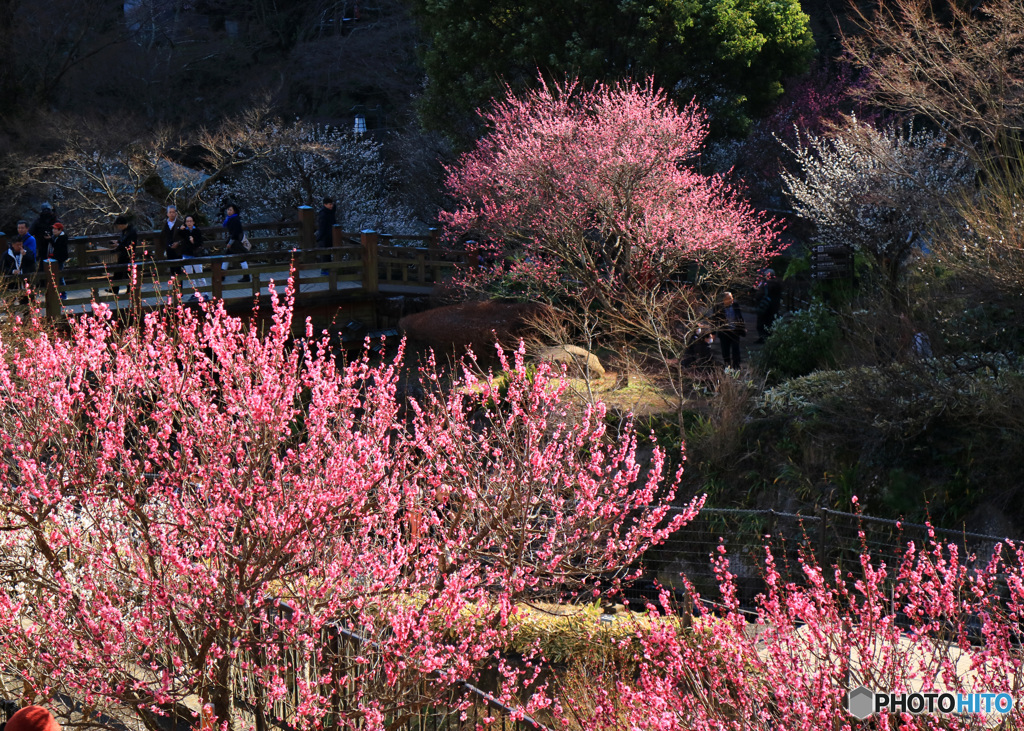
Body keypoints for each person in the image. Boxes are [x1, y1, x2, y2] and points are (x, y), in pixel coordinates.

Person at [711, 291, 747, 368]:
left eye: (732, 297)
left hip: (735, 331)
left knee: (736, 349)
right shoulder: (718, 307)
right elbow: (714, 321)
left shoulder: (735, 305)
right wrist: (713, 333)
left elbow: (739, 317)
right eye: (730, 298)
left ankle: (736, 366)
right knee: (725, 351)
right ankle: (727, 366)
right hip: (724, 332)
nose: (732, 299)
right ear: (724, 300)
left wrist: (742, 327)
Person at [106, 215, 139, 296]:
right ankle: (114, 289)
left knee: (128, 274)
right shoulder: (125, 231)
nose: (118, 227)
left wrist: (117, 246)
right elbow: (122, 241)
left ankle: (130, 290)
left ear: (121, 224)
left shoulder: (131, 232)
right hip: (123, 254)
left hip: (129, 255)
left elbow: (128, 244)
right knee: (118, 272)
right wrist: (117, 242)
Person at [179, 215, 209, 300]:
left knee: (199, 275)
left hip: (196, 255)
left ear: (193, 222)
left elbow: (200, 244)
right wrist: (181, 229)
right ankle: (195, 293)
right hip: (186, 255)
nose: (189, 223)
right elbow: (179, 236)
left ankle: (205, 293)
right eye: (187, 221)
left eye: (190, 221)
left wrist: (193, 241)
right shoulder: (184, 231)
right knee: (190, 276)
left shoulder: (197, 231)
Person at [1, 237, 37, 303]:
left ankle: (27, 312)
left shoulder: (27, 251)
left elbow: (32, 262)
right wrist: (12, 271)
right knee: (10, 300)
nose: (20, 246)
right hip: (11, 281)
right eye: (18, 245)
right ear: (13, 245)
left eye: (21, 244)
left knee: (26, 300)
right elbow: (2, 267)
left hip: (25, 279)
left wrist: (25, 255)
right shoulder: (6, 254)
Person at [221, 204, 250, 282]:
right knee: (227, 257)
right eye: (228, 210)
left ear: (234, 211)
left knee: (241, 259)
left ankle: (246, 276)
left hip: (236, 242)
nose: (229, 211)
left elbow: (235, 233)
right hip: (234, 241)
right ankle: (222, 275)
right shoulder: (231, 219)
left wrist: (230, 242)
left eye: (230, 210)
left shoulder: (235, 220)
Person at [754, 268, 782, 343]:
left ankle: (763, 338)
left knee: (761, 323)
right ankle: (770, 338)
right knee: (771, 323)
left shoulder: (765, 284)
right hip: (774, 307)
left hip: (764, 306)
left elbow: (759, 295)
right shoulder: (778, 284)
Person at [160, 204, 184, 274]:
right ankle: (174, 284)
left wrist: (178, 243)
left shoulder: (181, 223)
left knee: (178, 270)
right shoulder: (165, 223)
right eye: (170, 212)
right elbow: (163, 236)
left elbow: (185, 237)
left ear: (176, 213)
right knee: (172, 270)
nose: (172, 214)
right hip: (169, 249)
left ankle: (179, 284)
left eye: (173, 212)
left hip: (178, 250)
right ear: (167, 214)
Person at [316, 196, 336, 274]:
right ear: (325, 204)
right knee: (325, 254)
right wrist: (320, 237)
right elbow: (322, 227)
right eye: (330, 204)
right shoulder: (323, 214)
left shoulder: (329, 212)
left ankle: (328, 269)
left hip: (330, 235)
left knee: (328, 253)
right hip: (325, 236)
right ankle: (325, 270)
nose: (331, 206)